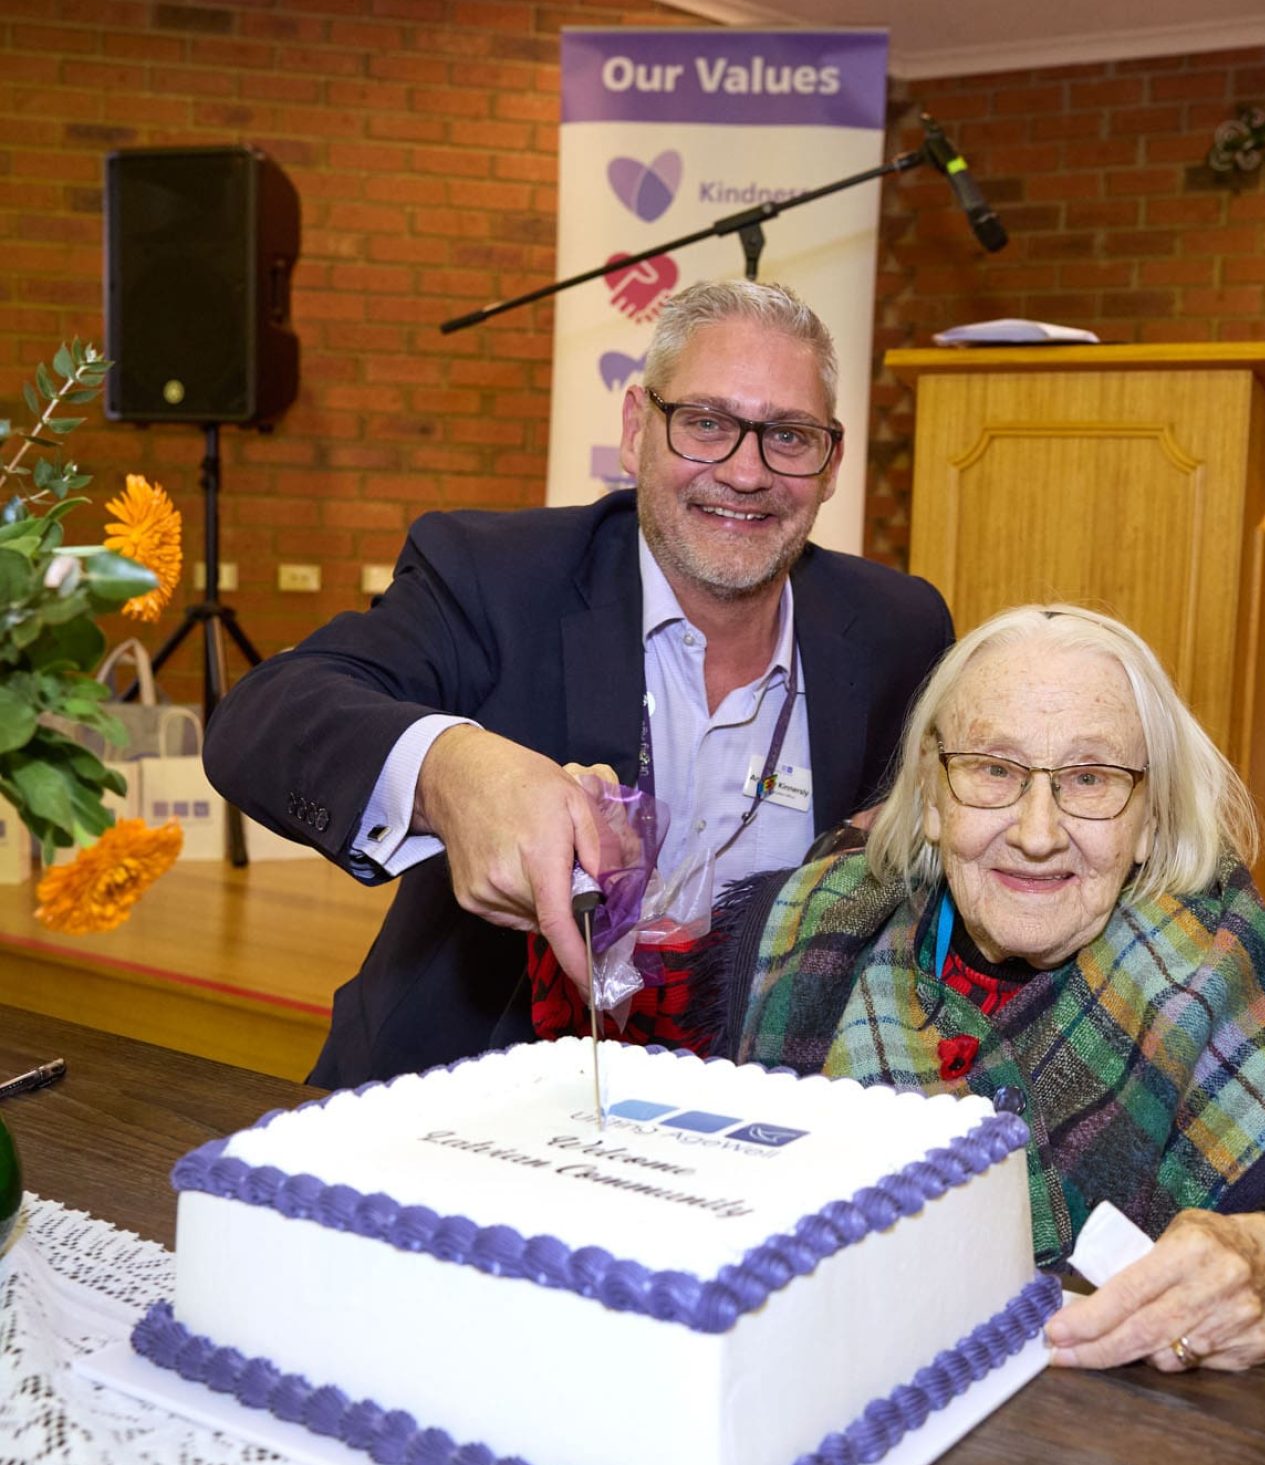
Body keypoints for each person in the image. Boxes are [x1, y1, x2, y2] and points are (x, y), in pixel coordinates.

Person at [693, 603, 1265, 1415]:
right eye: (993, 769)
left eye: (1090, 779)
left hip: (1102, 1441)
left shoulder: (1210, 973)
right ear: (931, 793)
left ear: (1149, 817)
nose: (1037, 833)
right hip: (825, 1404)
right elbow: (637, 1077)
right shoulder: (818, 926)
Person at [203, 280, 953, 1090]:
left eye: (789, 435)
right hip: (476, 1094)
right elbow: (264, 715)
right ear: (635, 430)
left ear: (831, 464)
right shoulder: (493, 577)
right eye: (705, 423)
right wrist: (449, 771)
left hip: (766, 1111)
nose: (745, 472)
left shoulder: (898, 629)